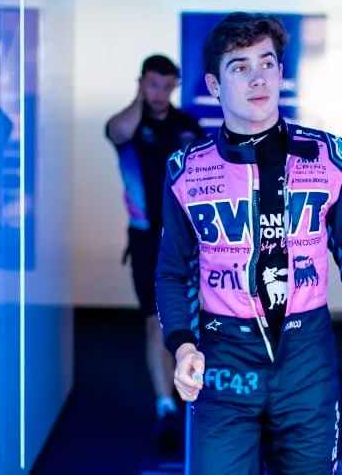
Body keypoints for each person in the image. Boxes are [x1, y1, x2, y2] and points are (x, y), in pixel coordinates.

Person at [156, 12, 342, 474]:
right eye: (240, 67)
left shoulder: (328, 158)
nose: (258, 78)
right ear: (214, 85)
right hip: (223, 360)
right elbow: (174, 270)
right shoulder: (186, 170)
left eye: (267, 63)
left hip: (306, 359)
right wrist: (184, 345)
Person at [105, 54, 204, 451]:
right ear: (141, 83)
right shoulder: (129, 124)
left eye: (165, 85)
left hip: (186, 239)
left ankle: (187, 393)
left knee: (188, 322)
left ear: (175, 85)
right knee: (154, 323)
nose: (159, 93)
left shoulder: (188, 127)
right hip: (146, 239)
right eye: (152, 84)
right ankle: (165, 407)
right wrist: (139, 100)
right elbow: (117, 132)